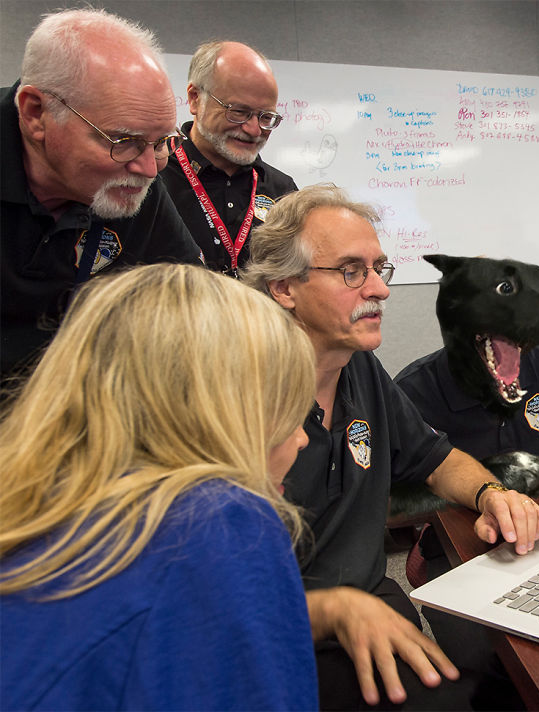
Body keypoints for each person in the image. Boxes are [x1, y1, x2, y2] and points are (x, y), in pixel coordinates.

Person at [241, 183, 539, 710]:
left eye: (380, 268)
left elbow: (438, 459)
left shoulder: (359, 367)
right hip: (279, 637)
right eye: (351, 271)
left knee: (498, 694)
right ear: (285, 287)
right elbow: (210, 598)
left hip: (372, 605)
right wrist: (335, 610)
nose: (380, 289)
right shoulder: (238, 395)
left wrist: (492, 494)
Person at [0, 264, 318, 710]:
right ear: (215, 413)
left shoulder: (36, 500)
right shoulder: (218, 522)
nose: (301, 438)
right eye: (284, 411)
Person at [1, 8, 203, 384]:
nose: (148, 168)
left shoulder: (133, 175)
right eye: (123, 141)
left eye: (162, 143)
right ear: (35, 113)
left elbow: (194, 300)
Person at [162, 40, 297, 277]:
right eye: (239, 112)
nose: (254, 130)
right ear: (195, 98)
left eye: (266, 117)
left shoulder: (283, 191)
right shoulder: (155, 178)